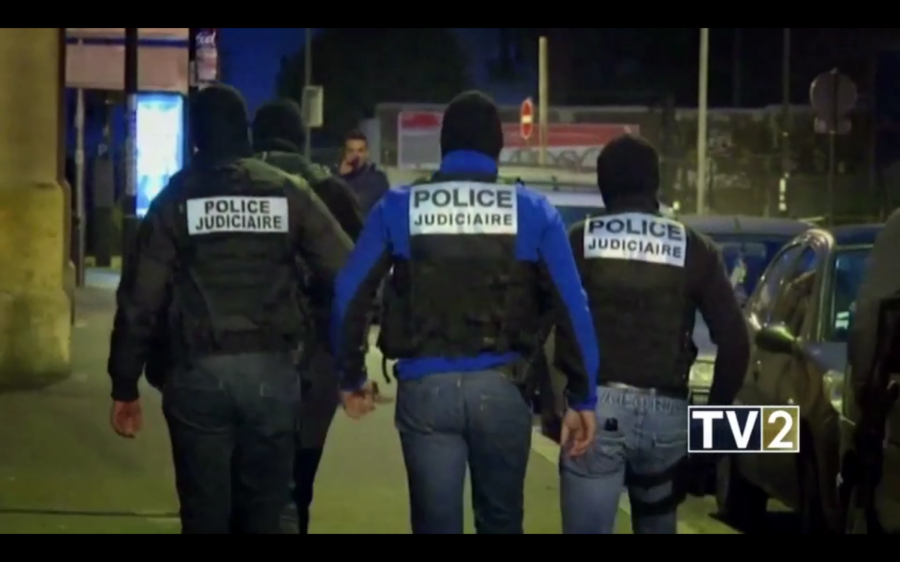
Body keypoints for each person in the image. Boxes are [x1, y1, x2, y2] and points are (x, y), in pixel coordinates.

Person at [332, 90, 600, 535]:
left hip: (425, 392)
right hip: (502, 390)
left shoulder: (401, 206)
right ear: (497, 147)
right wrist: (582, 395)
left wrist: (350, 375)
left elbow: (349, 292)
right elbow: (574, 305)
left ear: (445, 146)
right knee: (500, 522)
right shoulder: (532, 210)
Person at [107, 84, 353, 534]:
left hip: (196, 373)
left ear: (195, 137)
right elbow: (347, 272)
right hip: (273, 373)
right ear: (244, 131)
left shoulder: (174, 200)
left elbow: (141, 300)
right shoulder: (288, 193)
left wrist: (125, 383)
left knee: (204, 514)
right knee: (265, 512)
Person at [555, 134, 750, 535]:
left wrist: (554, 401)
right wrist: (708, 438)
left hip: (596, 409)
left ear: (604, 186)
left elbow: (544, 324)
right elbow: (735, 344)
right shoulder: (695, 247)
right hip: (669, 416)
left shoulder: (579, 241)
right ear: (655, 185)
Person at [252, 98, 365, 534]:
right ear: (301, 141)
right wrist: (350, 368)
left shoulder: (221, 184)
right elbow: (358, 282)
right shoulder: (334, 191)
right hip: (314, 356)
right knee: (298, 482)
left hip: (234, 353)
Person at [336, 130, 390, 214]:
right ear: (345, 153)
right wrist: (340, 177)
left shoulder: (378, 179)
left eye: (360, 151)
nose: (355, 155)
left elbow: (358, 204)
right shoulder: (335, 177)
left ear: (367, 153)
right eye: (351, 151)